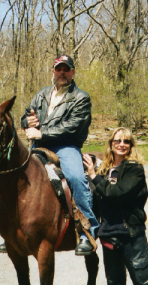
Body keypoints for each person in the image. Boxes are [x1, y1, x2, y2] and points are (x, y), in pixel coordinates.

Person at [20, 54, 99, 255]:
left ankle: (87, 231)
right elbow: (27, 114)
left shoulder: (81, 97)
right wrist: (26, 122)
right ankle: (16, 229)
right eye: (58, 69)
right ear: (53, 72)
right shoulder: (42, 94)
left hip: (66, 146)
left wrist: (42, 132)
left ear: (73, 72)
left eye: (66, 69)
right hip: (39, 145)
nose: (61, 73)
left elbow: (73, 126)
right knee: (18, 177)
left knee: (75, 177)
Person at [83, 127, 148, 285]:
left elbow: (117, 193)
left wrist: (94, 177)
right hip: (109, 236)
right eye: (117, 140)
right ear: (111, 144)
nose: (122, 144)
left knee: (144, 281)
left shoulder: (134, 169)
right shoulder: (104, 171)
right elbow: (95, 203)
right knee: (114, 282)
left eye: (126, 141)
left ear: (131, 145)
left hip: (131, 236)